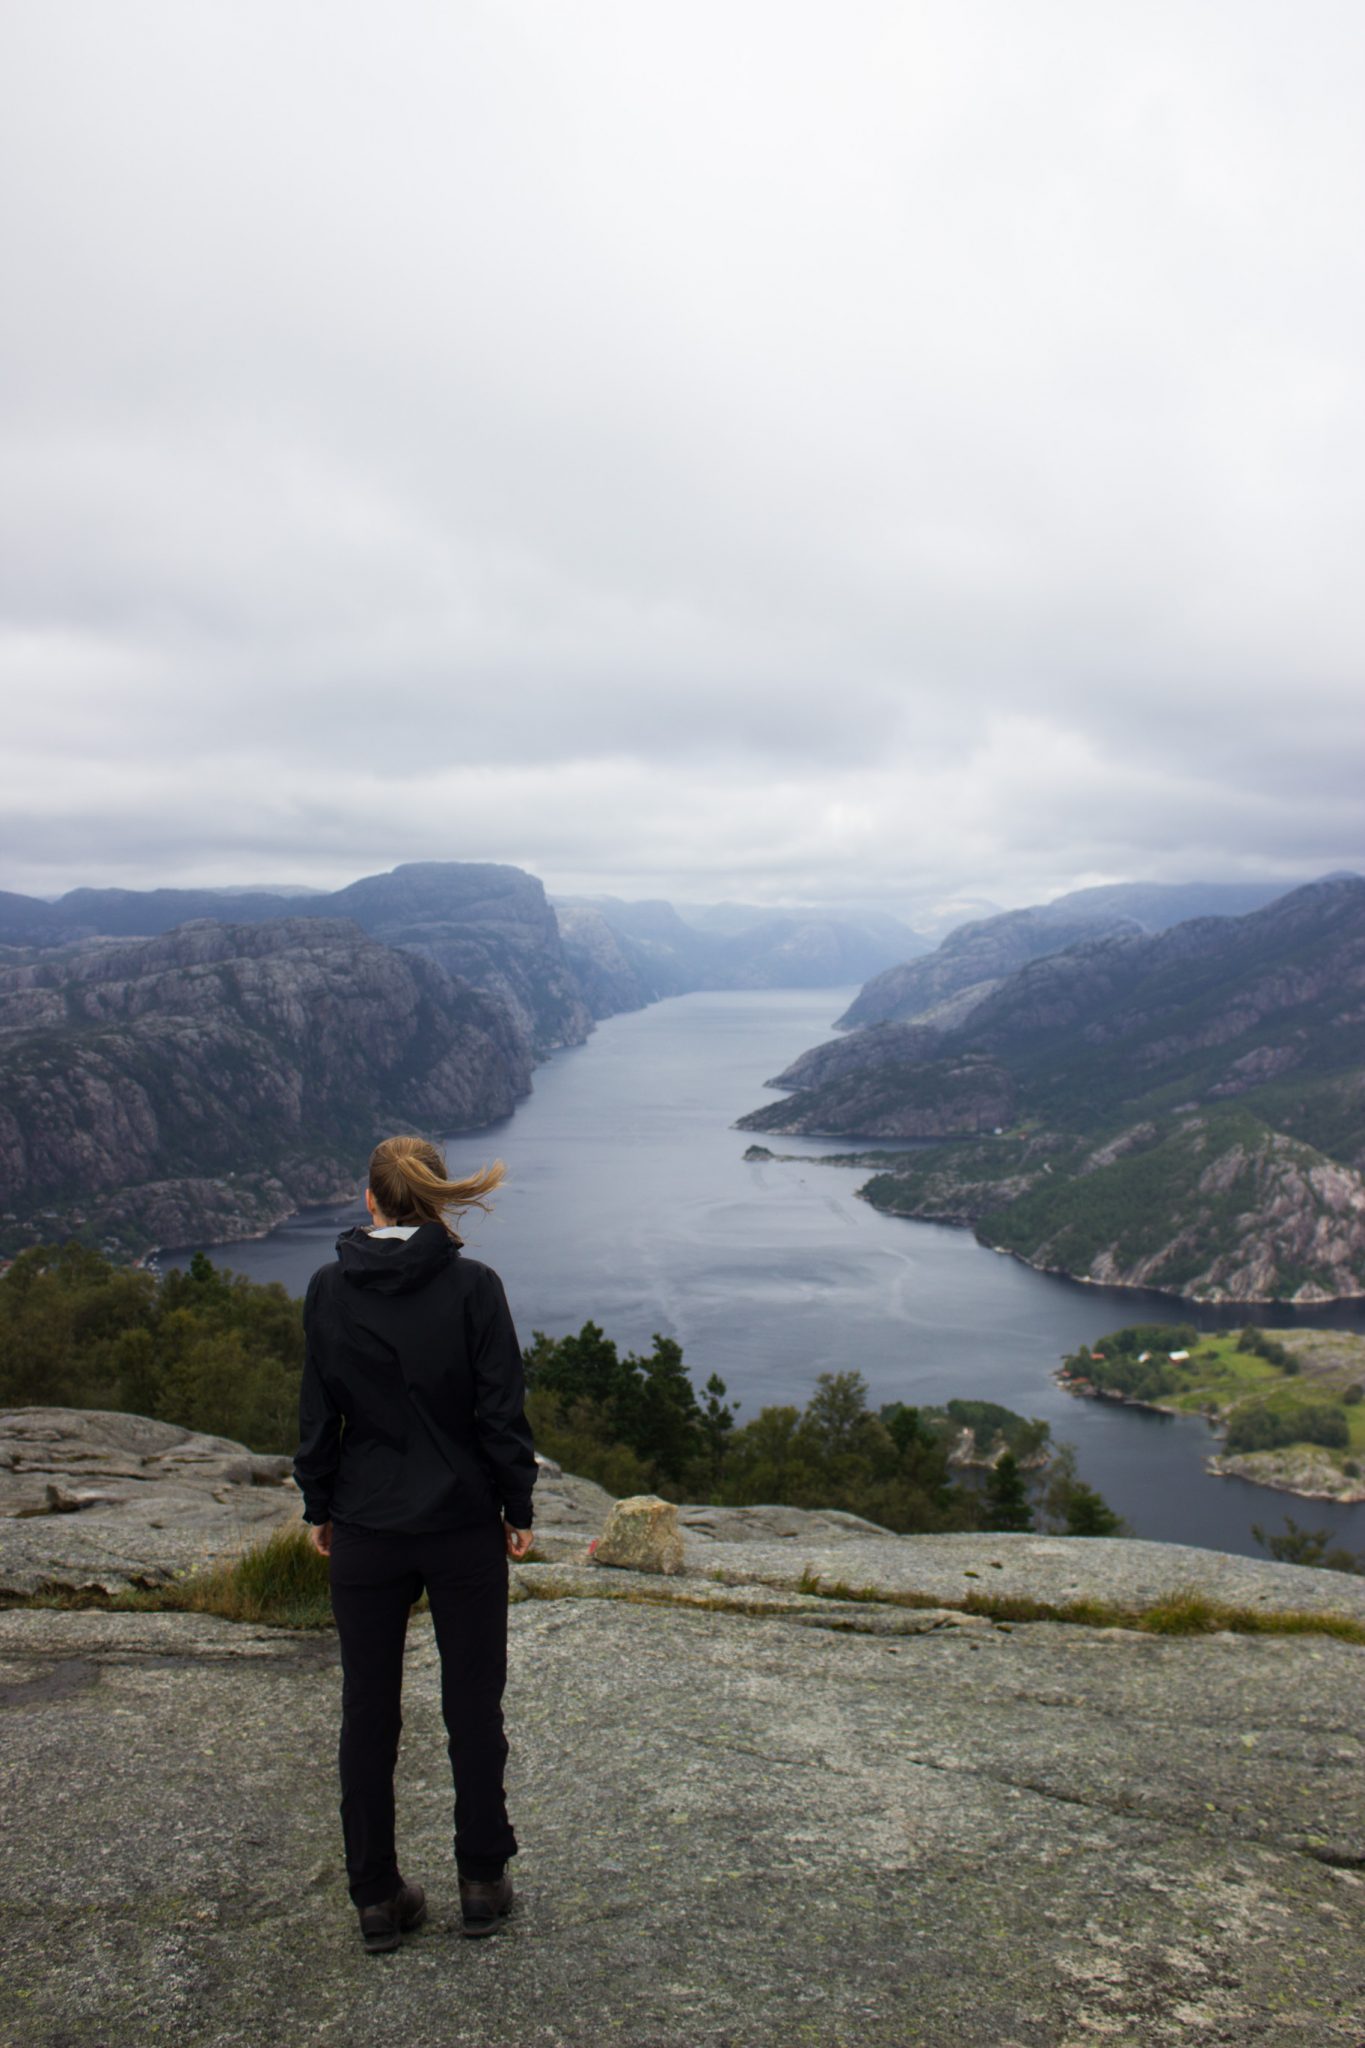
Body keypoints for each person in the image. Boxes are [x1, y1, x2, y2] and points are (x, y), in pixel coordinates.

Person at [293, 1133, 536, 1953]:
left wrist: (319, 1502)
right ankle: (480, 1880)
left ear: (371, 1200)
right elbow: (500, 1412)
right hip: (461, 1522)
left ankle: (375, 1895)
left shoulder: (329, 1289)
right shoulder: (474, 1286)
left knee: (367, 1710)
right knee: (473, 1703)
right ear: (434, 1198)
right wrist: (518, 1506)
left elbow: (317, 1413)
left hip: (364, 1521)